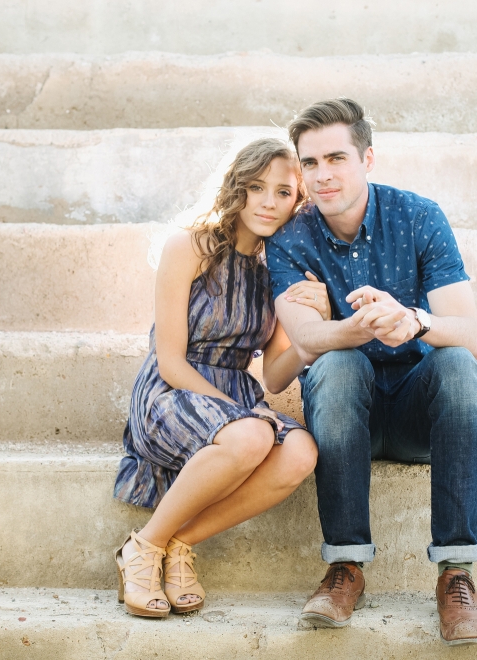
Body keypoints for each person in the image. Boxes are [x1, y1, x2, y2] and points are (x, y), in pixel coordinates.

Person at [265, 99, 477, 645]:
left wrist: (411, 319)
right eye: (310, 163)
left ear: (367, 157)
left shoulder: (418, 216)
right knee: (339, 362)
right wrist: (365, 324)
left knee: (458, 364)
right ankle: (345, 567)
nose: (323, 176)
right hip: (345, 417)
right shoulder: (291, 239)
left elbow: (472, 334)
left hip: (419, 412)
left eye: (336, 158)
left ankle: (456, 573)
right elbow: (308, 339)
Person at [112, 138, 325, 618]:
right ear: (237, 188)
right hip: (173, 390)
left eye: (284, 192)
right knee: (251, 435)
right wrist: (240, 419)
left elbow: (273, 376)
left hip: (237, 397)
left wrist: (311, 335)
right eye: (256, 187)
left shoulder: (279, 271)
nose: (269, 202)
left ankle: (179, 543)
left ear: (299, 201)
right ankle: (142, 547)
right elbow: (170, 360)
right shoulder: (190, 246)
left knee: (300, 452)